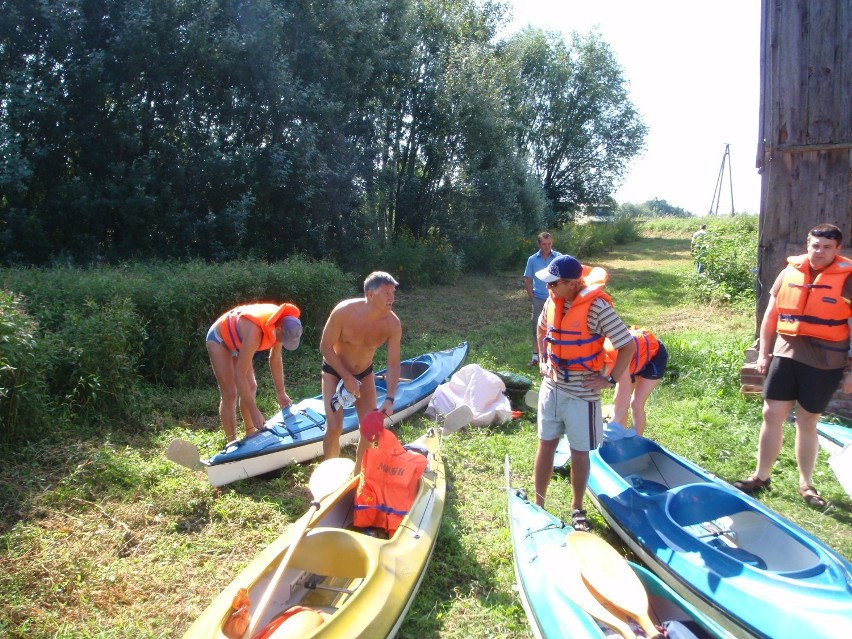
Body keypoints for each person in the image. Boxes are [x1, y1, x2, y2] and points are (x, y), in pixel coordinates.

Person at [734, 224, 852, 508]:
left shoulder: (848, 279)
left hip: (826, 362)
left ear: (837, 250)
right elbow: (771, 316)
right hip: (786, 354)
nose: (819, 251)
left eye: (826, 247)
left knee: (807, 422)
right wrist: (764, 353)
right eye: (815, 245)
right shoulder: (789, 272)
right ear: (807, 244)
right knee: (771, 414)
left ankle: (806, 484)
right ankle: (761, 476)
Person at [534, 255, 636, 531]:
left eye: (554, 284)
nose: (549, 288)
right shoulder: (552, 301)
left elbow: (627, 345)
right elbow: (542, 328)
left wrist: (610, 380)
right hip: (552, 387)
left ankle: (577, 508)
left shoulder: (598, 308)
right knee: (546, 444)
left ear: (572, 283)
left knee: (580, 452)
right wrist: (543, 357)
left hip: (582, 393)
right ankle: (538, 504)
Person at [320, 271, 402, 470]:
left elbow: (393, 364)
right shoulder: (344, 312)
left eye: (393, 292)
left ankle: (358, 475)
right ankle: (330, 476)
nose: (391, 297)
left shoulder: (392, 323)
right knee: (334, 428)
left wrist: (390, 398)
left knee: (370, 428)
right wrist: (346, 377)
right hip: (334, 371)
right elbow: (325, 347)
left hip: (364, 373)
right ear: (370, 295)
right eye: (386, 293)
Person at [206, 303, 303, 441]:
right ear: (279, 329)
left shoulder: (284, 325)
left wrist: (281, 393)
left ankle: (250, 435)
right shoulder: (255, 333)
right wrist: (254, 411)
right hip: (219, 339)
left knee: (251, 386)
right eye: (284, 339)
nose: (284, 342)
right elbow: (239, 375)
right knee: (230, 393)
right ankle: (231, 443)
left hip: (239, 342)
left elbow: (275, 359)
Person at [603, 326, 668, 436]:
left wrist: (611, 425)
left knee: (636, 404)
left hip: (653, 356)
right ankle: (618, 438)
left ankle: (637, 442)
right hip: (633, 359)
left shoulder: (617, 358)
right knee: (617, 402)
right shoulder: (594, 359)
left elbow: (623, 400)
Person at [524, 232, 562, 366]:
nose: (547, 247)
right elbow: (527, 280)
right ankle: (536, 357)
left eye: (549, 244)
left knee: (557, 327)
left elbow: (565, 278)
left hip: (556, 298)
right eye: (544, 244)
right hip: (539, 298)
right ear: (539, 244)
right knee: (537, 327)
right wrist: (533, 298)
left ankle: (554, 356)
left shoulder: (559, 258)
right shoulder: (532, 259)